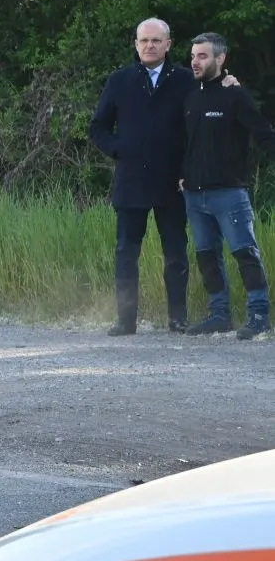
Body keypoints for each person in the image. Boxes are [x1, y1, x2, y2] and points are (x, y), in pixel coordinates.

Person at [88, 18, 194, 335]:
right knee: (126, 252)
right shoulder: (120, 81)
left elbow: (198, 128)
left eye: (156, 41)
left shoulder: (185, 81)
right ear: (136, 44)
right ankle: (125, 319)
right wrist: (120, 149)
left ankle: (178, 318)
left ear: (168, 44)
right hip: (131, 180)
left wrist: (188, 169)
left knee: (176, 250)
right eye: (144, 40)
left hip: (172, 181)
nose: (149, 46)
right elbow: (98, 127)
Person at [180, 32, 275, 339]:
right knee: (206, 255)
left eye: (202, 56)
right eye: (193, 56)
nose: (195, 61)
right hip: (194, 194)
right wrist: (183, 174)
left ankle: (259, 314)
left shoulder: (236, 95)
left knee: (245, 253)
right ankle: (218, 314)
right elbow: (186, 143)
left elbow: (263, 133)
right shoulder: (191, 97)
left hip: (229, 193)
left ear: (220, 59)